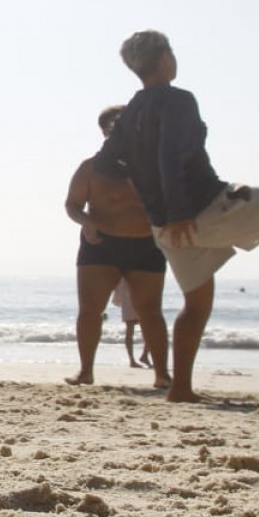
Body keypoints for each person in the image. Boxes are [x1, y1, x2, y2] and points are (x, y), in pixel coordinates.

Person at [95, 30, 259, 402]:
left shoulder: (130, 113)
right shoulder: (177, 99)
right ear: (166, 58)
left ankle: (181, 389)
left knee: (196, 304)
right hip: (199, 211)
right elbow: (169, 154)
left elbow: (106, 163)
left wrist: (152, 196)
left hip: (166, 226)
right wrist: (178, 209)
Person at [64, 104, 168, 386]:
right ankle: (86, 370)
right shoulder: (90, 167)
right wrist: (87, 222)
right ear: (105, 131)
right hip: (101, 245)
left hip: (146, 245)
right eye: (116, 125)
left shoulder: (155, 165)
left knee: (150, 311)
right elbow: (72, 205)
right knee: (90, 310)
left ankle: (162, 374)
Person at [114, 278, 150, 369]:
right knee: (148, 328)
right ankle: (139, 357)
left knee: (145, 329)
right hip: (133, 294)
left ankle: (139, 357)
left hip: (130, 295)